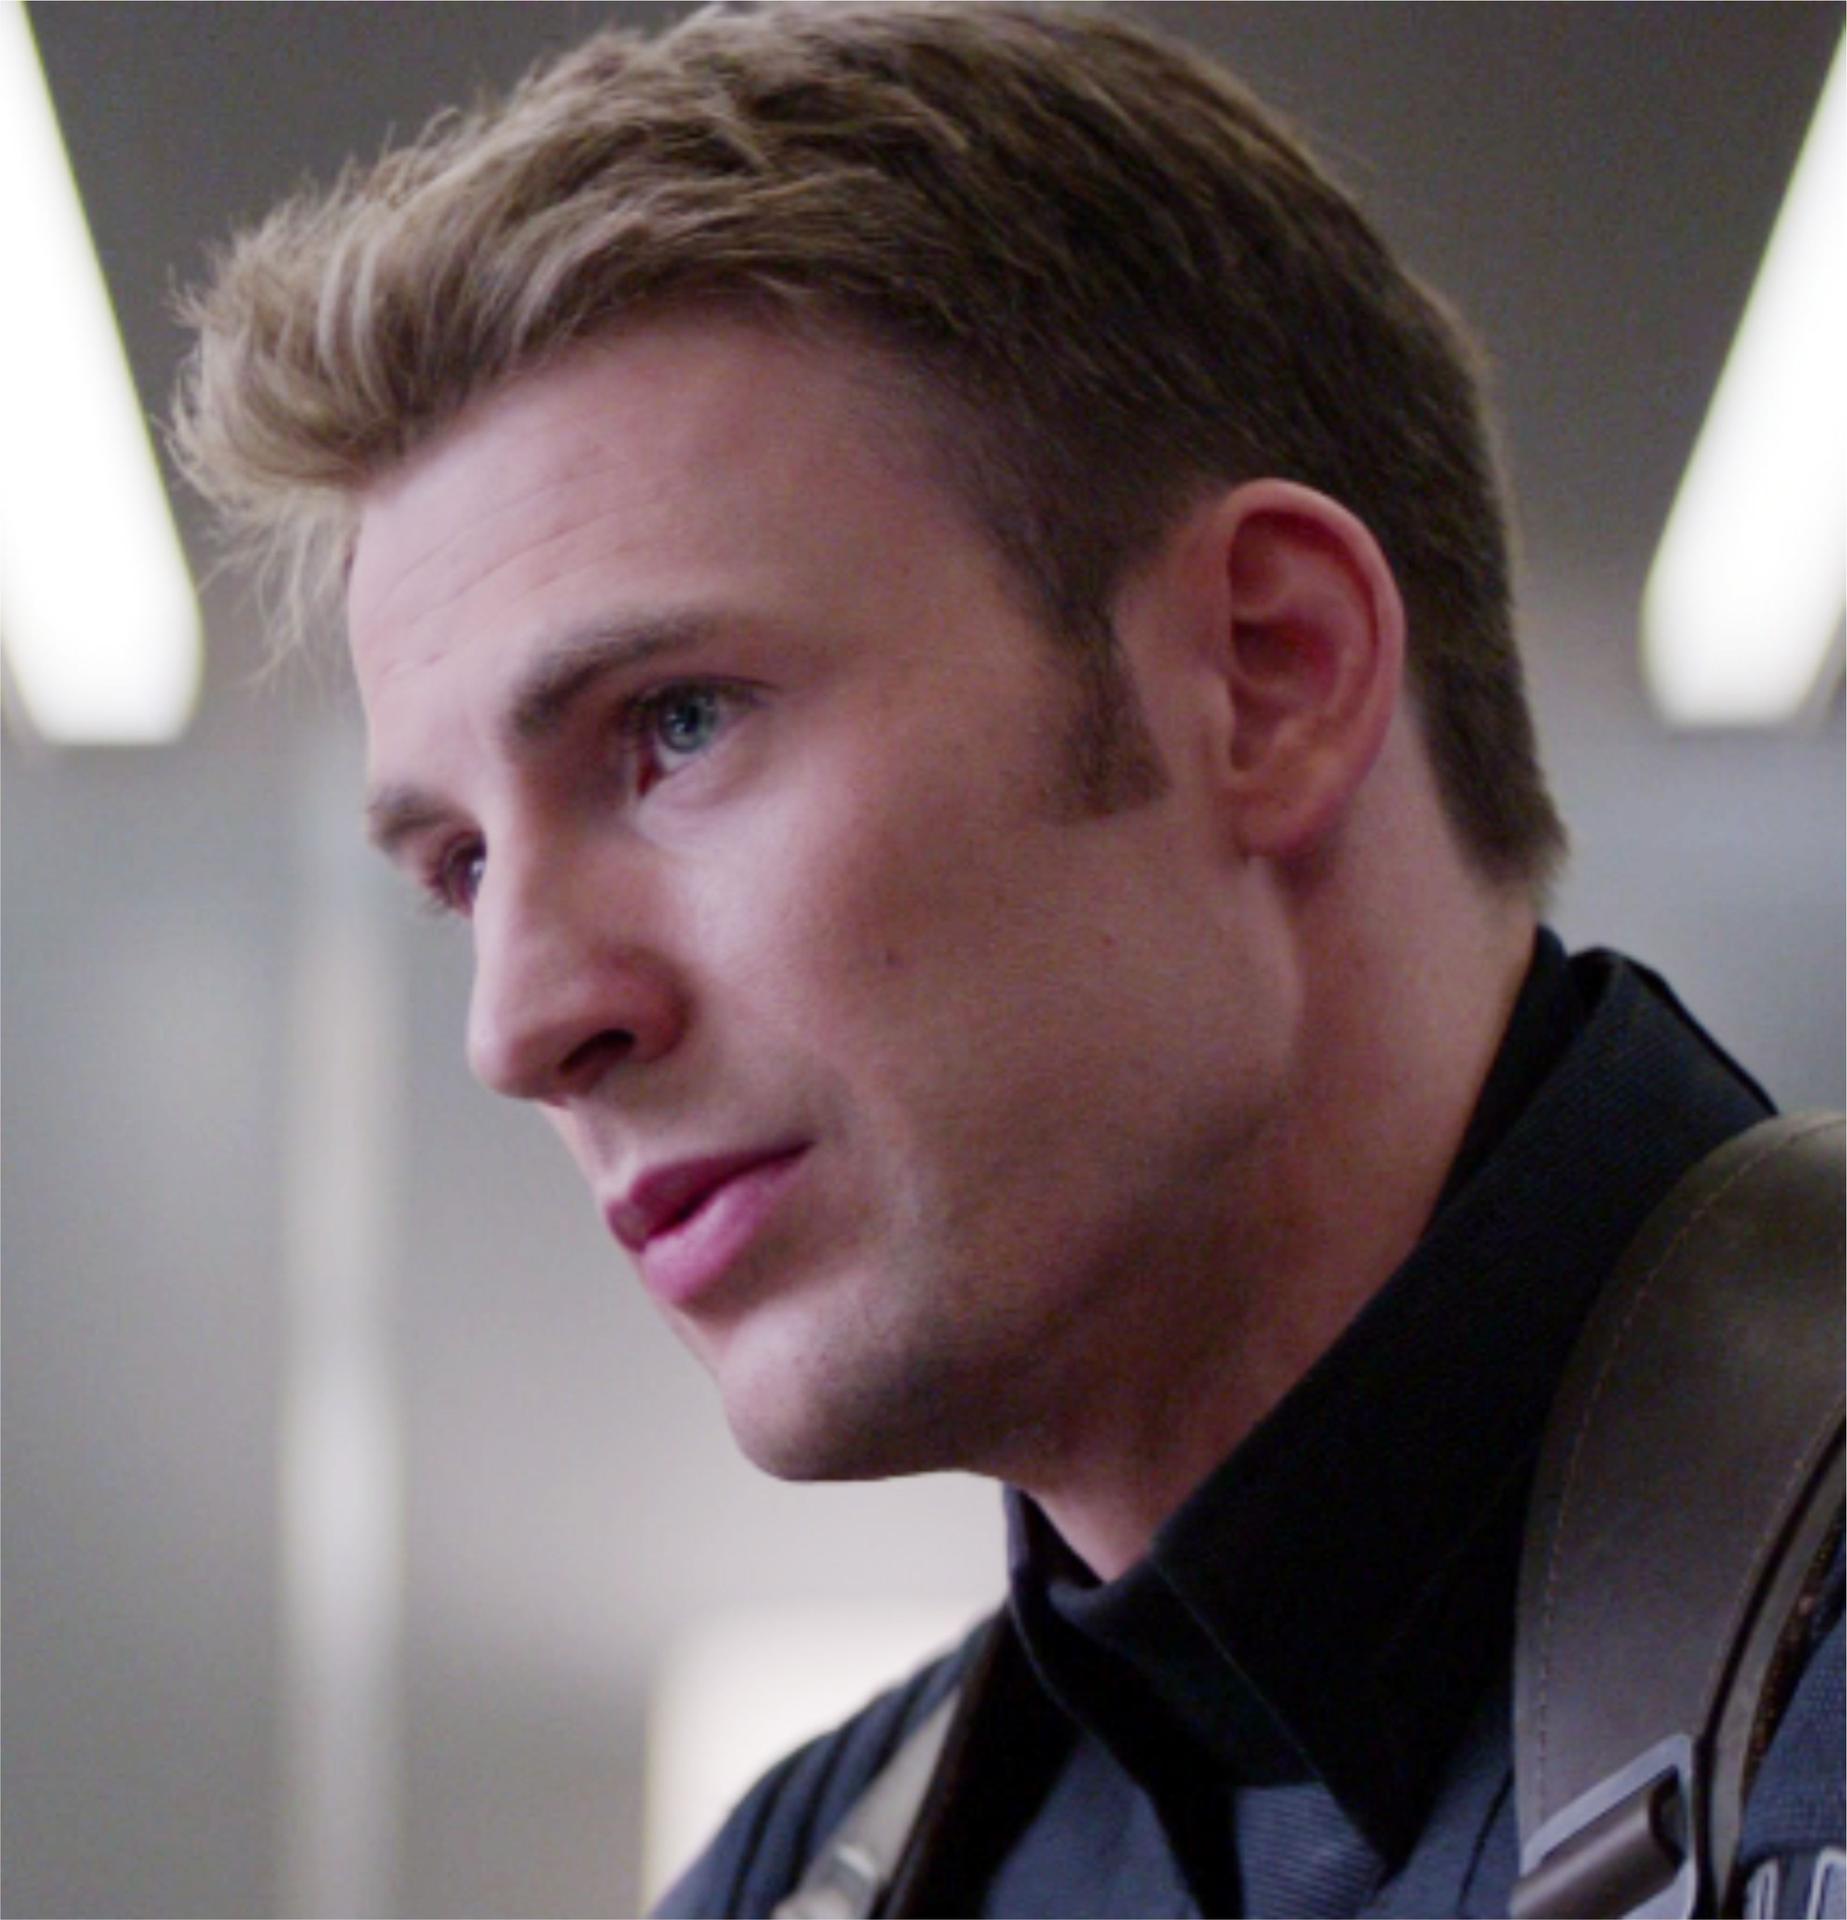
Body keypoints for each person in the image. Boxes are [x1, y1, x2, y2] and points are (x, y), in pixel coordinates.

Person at [172, 6, 1842, 1914]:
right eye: (463, 866)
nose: (522, 1022)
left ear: (1268, 678)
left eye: (678, 725)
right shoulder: (807, 1874)